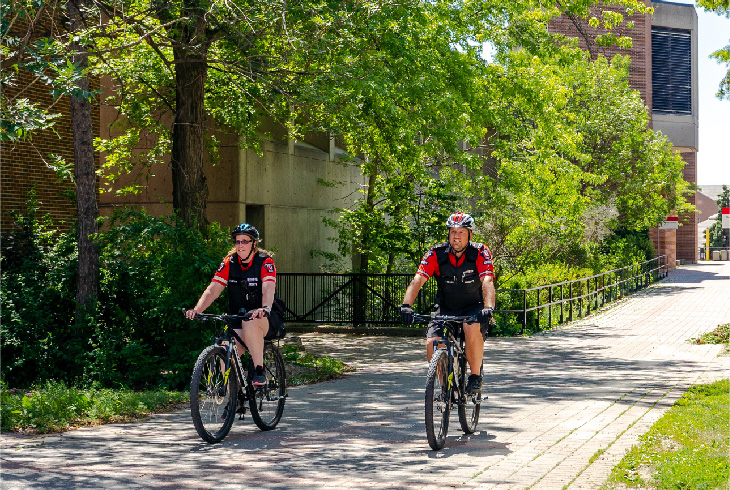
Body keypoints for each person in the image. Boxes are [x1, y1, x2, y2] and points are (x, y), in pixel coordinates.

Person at [399, 212, 496, 395]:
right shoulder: (436, 253)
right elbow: (418, 279)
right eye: (452, 231)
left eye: (461, 232)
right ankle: (446, 388)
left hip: (473, 307)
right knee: (432, 343)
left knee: (470, 327)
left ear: (469, 234)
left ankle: (475, 376)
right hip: (445, 307)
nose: (456, 236)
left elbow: (487, 281)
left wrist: (488, 307)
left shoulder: (480, 252)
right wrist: (406, 305)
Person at [185, 223, 282, 386]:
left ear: (254, 243)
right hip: (239, 317)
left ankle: (259, 370)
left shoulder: (265, 262)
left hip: (266, 318)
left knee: (249, 321)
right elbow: (213, 290)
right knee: (225, 348)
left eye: (245, 241)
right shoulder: (229, 263)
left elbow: (268, 288)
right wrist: (197, 310)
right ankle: (235, 400)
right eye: (237, 241)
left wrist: (264, 308)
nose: (240, 245)